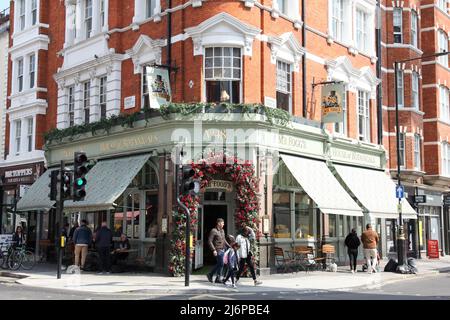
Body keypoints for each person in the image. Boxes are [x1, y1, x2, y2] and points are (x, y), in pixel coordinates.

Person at [207, 218, 230, 284]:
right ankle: (212, 275)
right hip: (217, 249)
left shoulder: (222, 231)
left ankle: (216, 277)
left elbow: (224, 240)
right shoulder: (213, 231)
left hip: (223, 249)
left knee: (221, 264)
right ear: (218, 223)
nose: (223, 224)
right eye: (222, 223)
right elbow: (209, 241)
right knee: (221, 263)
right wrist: (213, 250)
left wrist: (230, 246)